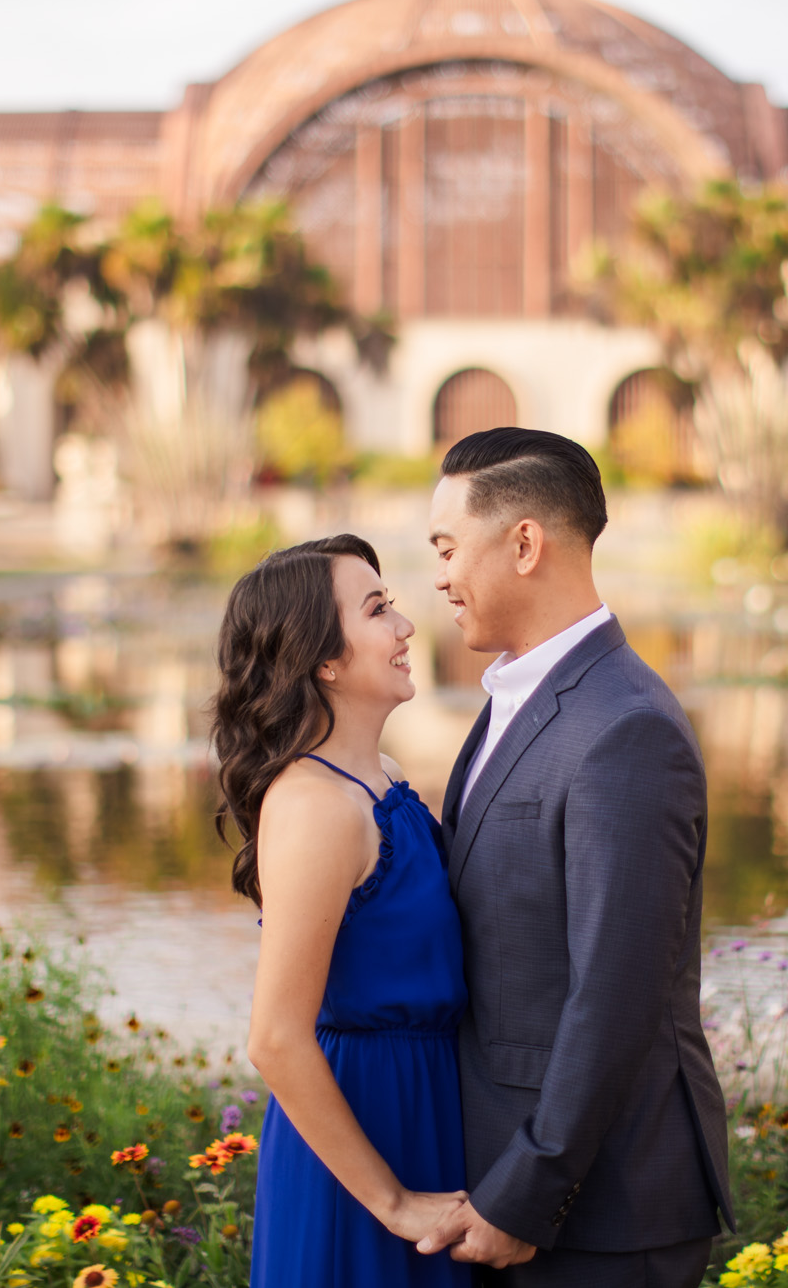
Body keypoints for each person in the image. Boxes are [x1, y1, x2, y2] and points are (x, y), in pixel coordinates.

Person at [415, 429, 733, 1286]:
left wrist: (527, 1194)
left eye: (448, 548)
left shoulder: (625, 727)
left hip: (601, 1211)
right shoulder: (515, 699)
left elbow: (617, 992)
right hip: (507, 1183)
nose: (438, 577)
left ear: (525, 543)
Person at [214, 534, 472, 1287]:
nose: (405, 626)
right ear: (324, 658)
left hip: (425, 1112)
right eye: (378, 609)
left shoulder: (382, 777)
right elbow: (275, 1036)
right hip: (360, 1146)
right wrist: (392, 1202)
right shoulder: (314, 805)